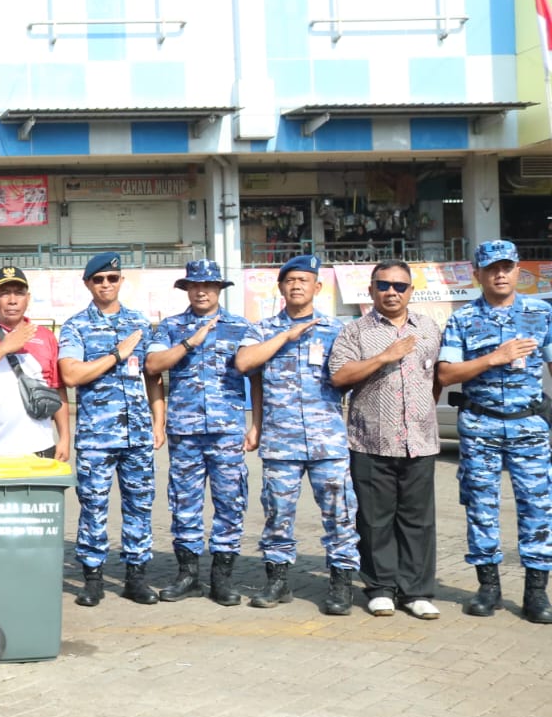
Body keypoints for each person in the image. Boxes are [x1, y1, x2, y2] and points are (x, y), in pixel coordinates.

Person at [233, 255, 359, 614]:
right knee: (277, 513)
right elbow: (245, 364)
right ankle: (278, 581)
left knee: (340, 513)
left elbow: (352, 376)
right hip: (280, 440)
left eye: (305, 280)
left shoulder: (338, 331)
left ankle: (341, 583)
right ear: (281, 288)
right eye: (290, 280)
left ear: (317, 287)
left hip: (328, 440)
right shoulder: (261, 329)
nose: (297, 285)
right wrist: (286, 336)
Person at [437, 240, 552, 624]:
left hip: (530, 425)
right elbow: (447, 374)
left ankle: (536, 592)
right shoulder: (462, 319)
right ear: (478, 275)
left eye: (506, 267)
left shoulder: (541, 313)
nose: (499, 274)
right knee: (481, 508)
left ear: (518, 270)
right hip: (480, 425)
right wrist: (494, 358)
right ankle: (488, 588)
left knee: (537, 508)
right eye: (491, 268)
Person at [328, 260, 443, 618]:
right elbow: (340, 376)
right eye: (384, 285)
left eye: (400, 286)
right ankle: (380, 587)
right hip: (370, 442)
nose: (392, 292)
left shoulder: (429, 328)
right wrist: (384, 357)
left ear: (410, 291)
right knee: (375, 519)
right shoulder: (355, 331)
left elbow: (437, 377)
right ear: (371, 290)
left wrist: (422, 411)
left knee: (418, 520)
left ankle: (416, 591)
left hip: (419, 441)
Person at [144, 260, 260, 607]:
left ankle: (222, 578)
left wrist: (257, 423)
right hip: (185, 430)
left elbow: (255, 376)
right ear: (186, 289)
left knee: (230, 502)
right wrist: (190, 344)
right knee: (184, 503)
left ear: (219, 290)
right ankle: (188, 575)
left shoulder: (241, 327)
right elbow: (153, 367)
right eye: (195, 285)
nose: (202, 291)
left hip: (227, 431)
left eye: (209, 285)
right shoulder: (171, 327)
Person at [56, 252, 163, 606]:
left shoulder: (139, 324)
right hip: (97, 437)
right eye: (99, 279)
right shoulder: (75, 326)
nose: (106, 285)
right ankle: (92, 578)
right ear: (87, 284)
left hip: (138, 435)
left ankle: (136, 576)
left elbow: (153, 377)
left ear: (121, 281)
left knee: (140, 505)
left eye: (112, 278)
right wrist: (115, 355)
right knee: (93, 506)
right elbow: (71, 375)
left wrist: (158, 420)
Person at [0, 266, 69, 460]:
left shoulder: (45, 336)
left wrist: (64, 438)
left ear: (28, 298)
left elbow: (58, 390)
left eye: (19, 293)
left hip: (41, 447)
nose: (12, 300)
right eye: (4, 293)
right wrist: (3, 348)